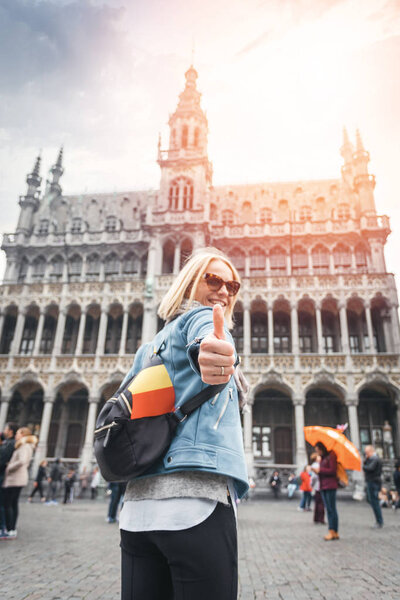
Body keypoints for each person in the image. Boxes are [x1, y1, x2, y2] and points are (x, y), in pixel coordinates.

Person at [118, 248, 249, 600]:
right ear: (189, 281)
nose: (224, 291)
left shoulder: (147, 349)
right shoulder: (205, 319)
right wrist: (216, 354)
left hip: (136, 514)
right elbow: (209, 341)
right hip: (193, 507)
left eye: (232, 285)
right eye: (213, 279)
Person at [1, 427, 38, 539]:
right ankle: (11, 528)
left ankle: (10, 528)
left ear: (23, 434)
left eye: (17, 433)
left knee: (8, 504)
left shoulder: (25, 446)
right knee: (12, 503)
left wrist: (9, 466)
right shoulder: (23, 445)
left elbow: (22, 461)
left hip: (15, 478)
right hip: (17, 478)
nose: (16, 435)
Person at [315, 441, 339, 540]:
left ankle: (333, 530)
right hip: (324, 486)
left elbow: (333, 470)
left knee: (331, 509)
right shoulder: (324, 458)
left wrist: (320, 470)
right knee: (329, 509)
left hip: (330, 485)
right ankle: (333, 531)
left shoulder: (332, 456)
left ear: (322, 448)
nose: (317, 453)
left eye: (318, 450)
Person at [0, 423, 18, 536]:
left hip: (5, 475)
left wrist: (8, 466)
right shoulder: (8, 443)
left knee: (5, 503)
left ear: (11, 431)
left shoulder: (10, 444)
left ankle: (5, 528)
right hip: (6, 475)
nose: (4, 430)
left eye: (6, 429)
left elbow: (3, 460)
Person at [363, 444, 384, 528]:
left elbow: (370, 468)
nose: (366, 454)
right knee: (371, 500)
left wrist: (364, 466)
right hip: (371, 481)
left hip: (373, 482)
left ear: (371, 451)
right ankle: (379, 520)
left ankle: (379, 521)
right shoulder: (371, 459)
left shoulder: (375, 459)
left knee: (374, 501)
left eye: (367, 452)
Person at [310, 452, 325, 524]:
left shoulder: (316, 465)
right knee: (320, 503)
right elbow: (314, 477)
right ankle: (320, 518)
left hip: (317, 486)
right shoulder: (316, 465)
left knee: (318, 503)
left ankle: (316, 518)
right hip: (319, 486)